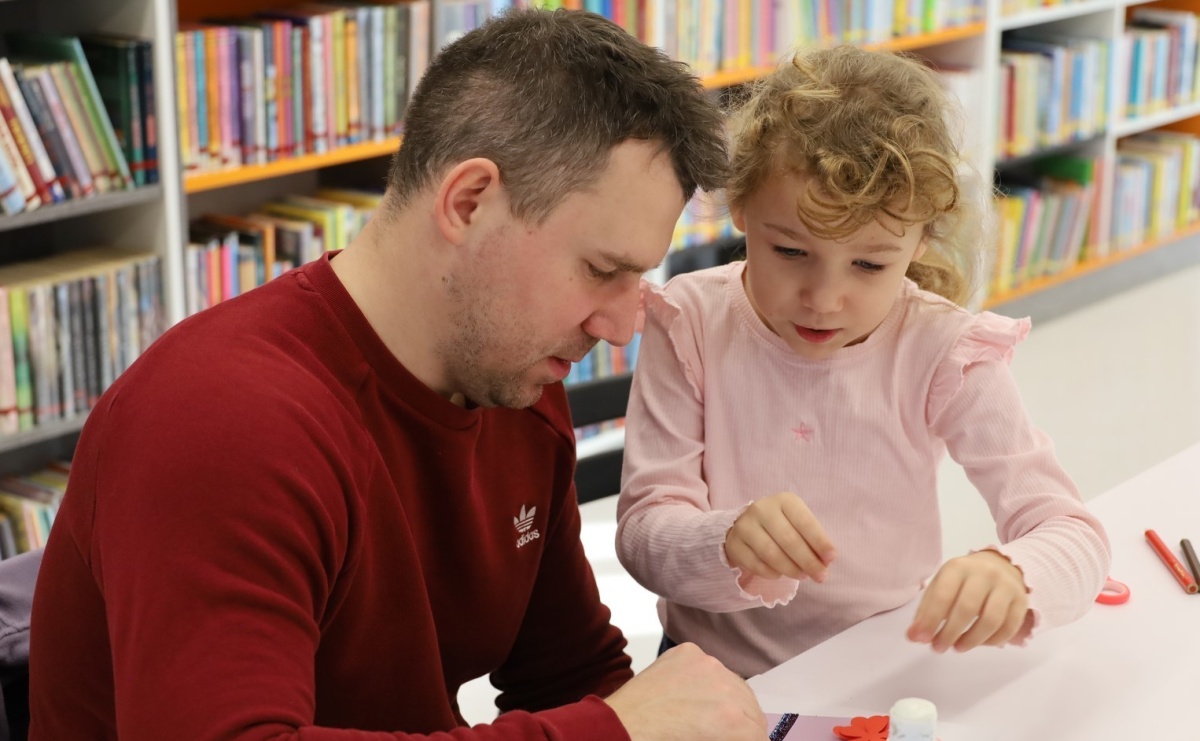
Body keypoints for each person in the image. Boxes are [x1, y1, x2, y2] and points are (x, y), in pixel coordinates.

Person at [29, 10, 768, 741]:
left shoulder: (512, 378)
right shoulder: (222, 422)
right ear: (468, 201)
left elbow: (570, 671)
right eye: (602, 269)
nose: (622, 324)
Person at [615, 44, 1113, 679]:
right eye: (791, 252)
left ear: (922, 238)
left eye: (870, 264)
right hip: (707, 671)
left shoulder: (944, 350)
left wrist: (1012, 572)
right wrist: (722, 539)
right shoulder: (689, 322)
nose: (823, 301)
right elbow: (641, 535)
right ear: (741, 210)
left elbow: (1072, 532)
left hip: (878, 670)